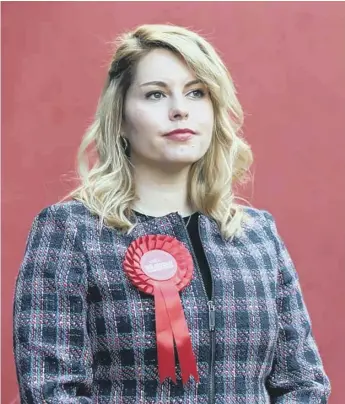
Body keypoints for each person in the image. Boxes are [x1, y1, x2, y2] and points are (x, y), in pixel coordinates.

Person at [13, 23, 331, 403]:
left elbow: (304, 384)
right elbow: (50, 391)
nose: (180, 109)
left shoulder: (257, 236)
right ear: (121, 118)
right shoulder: (71, 233)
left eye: (197, 93)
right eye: (155, 94)